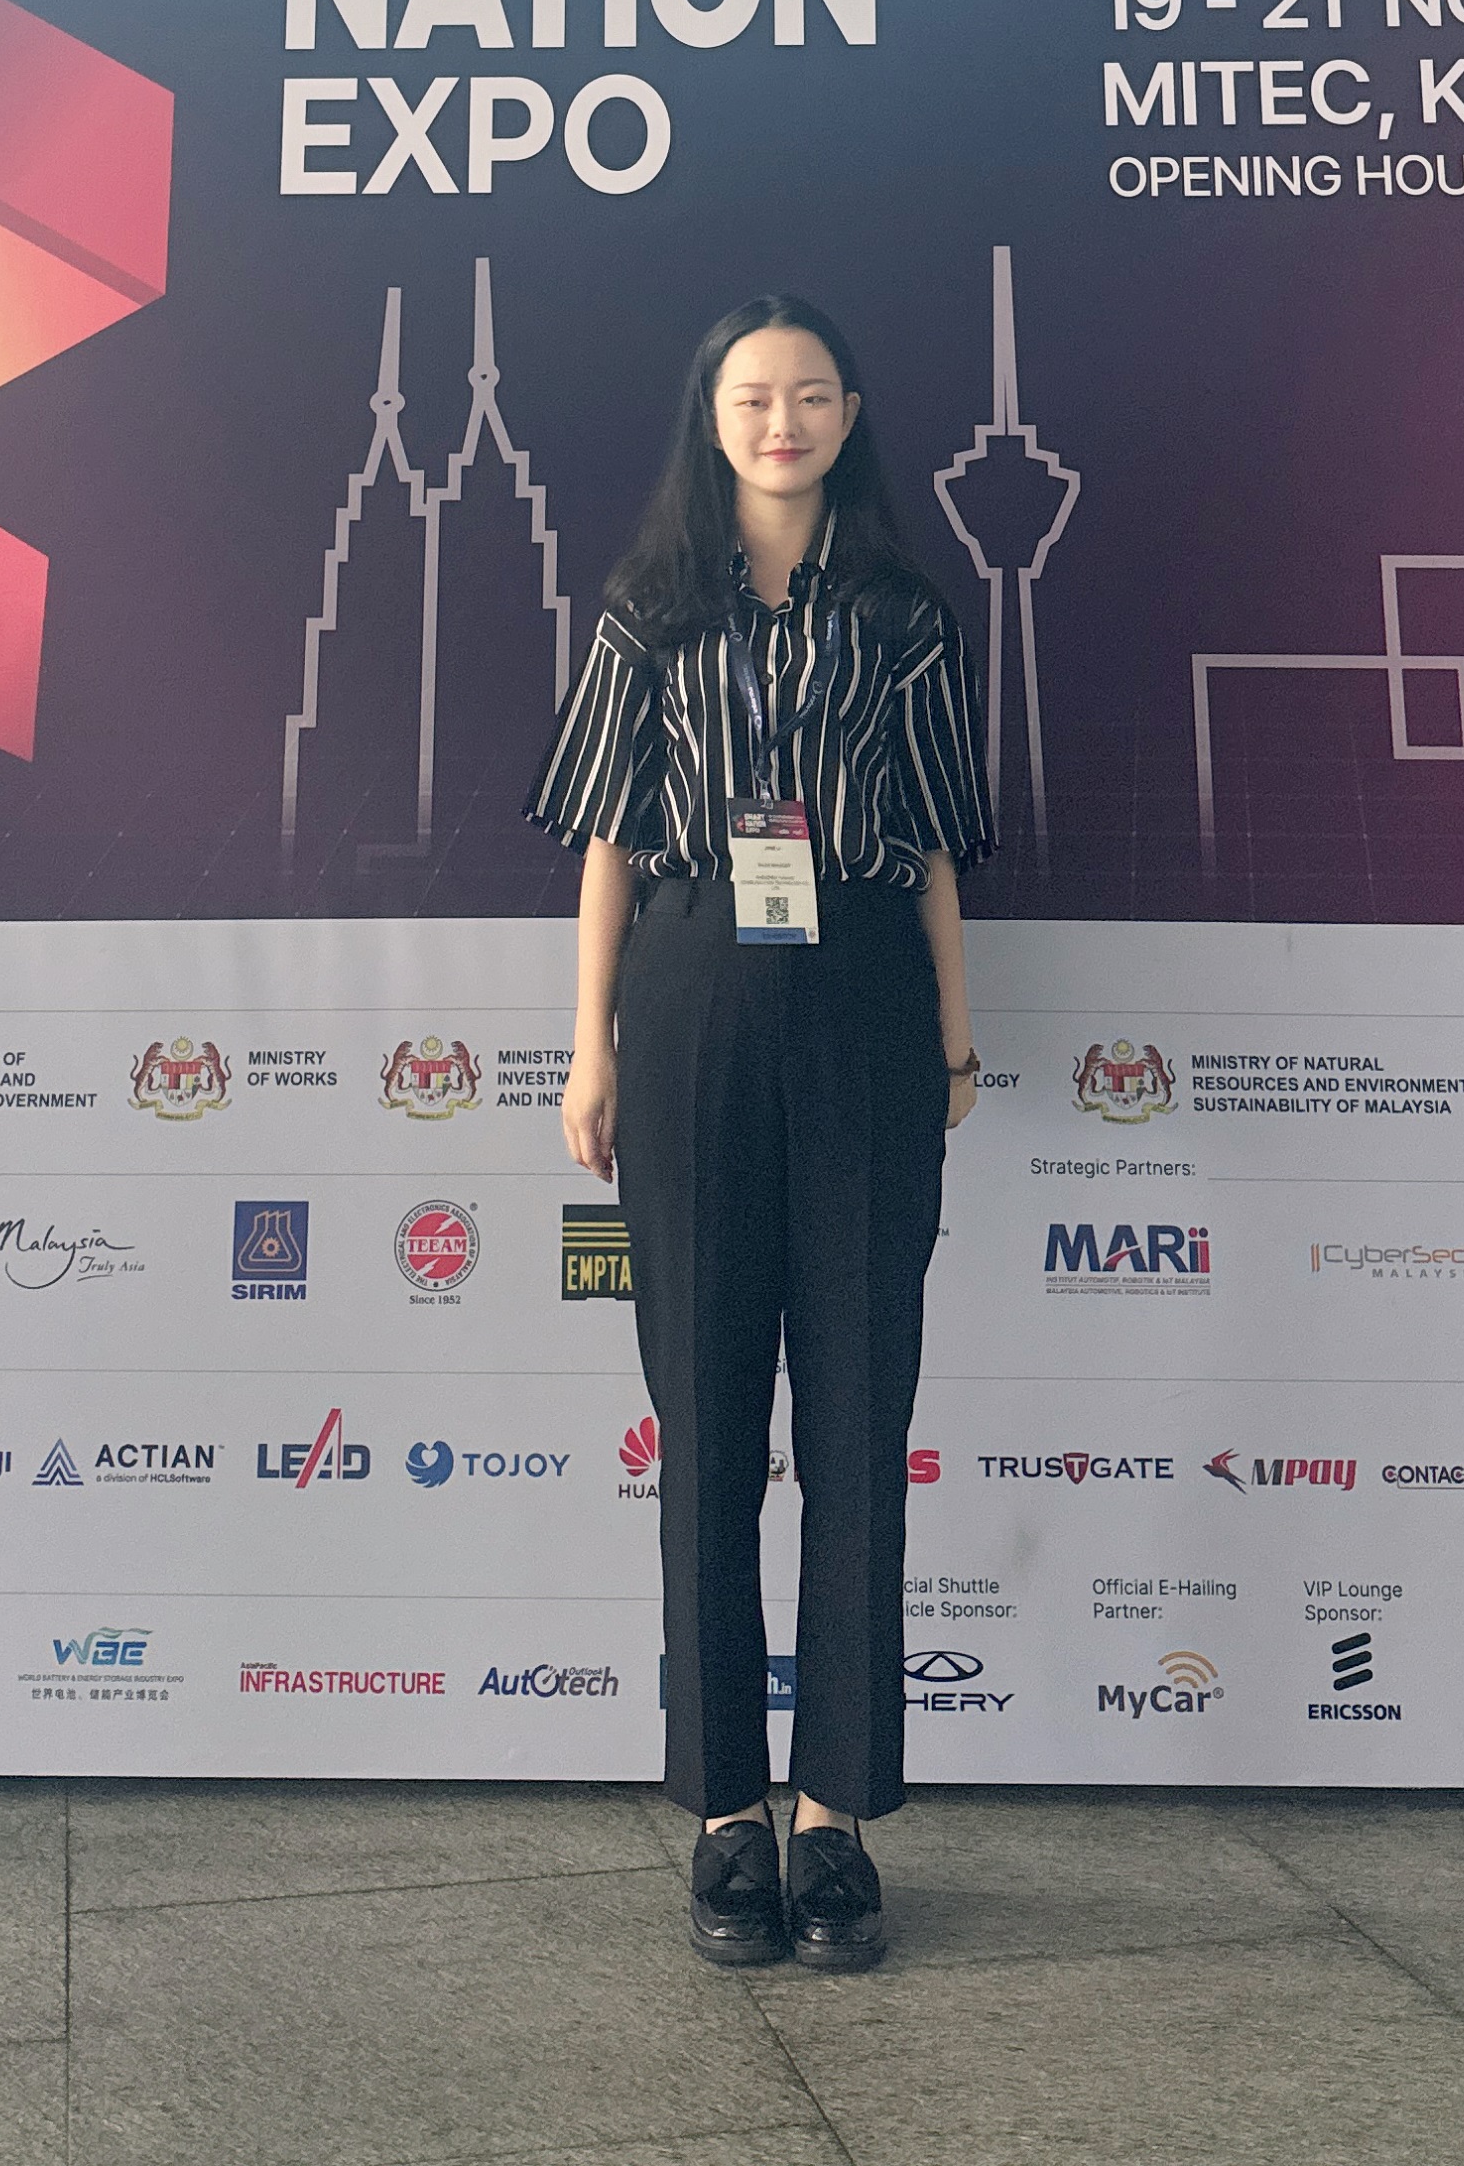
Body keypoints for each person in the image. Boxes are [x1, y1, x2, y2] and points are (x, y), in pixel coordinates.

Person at [535, 294, 990, 1972]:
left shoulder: (906, 614)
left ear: (850, 414)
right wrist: (587, 1051)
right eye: (751, 396)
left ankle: (835, 1819)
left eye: (808, 395)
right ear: (710, 417)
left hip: (864, 1000)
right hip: (691, 1004)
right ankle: (729, 1813)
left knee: (860, 1416)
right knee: (709, 1423)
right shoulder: (648, 607)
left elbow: (933, 842)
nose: (780, 421)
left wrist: (953, 1036)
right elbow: (604, 837)